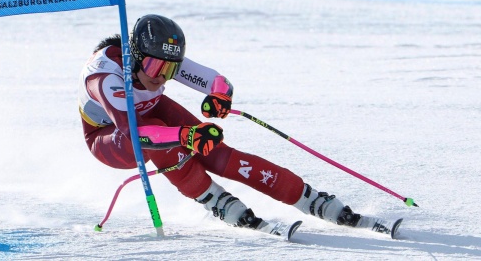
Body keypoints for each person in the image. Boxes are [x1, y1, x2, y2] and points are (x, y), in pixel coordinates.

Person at [79, 14, 393, 235]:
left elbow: (217, 81)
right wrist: (185, 135)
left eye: (170, 69)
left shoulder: (158, 60)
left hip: (149, 115)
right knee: (169, 139)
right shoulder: (105, 76)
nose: (161, 75)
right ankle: (216, 201)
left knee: (217, 153)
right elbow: (134, 132)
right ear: (136, 55)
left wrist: (219, 97)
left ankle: (309, 198)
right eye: (153, 65)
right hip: (110, 136)